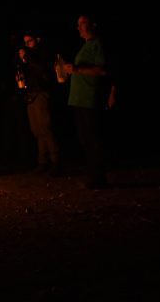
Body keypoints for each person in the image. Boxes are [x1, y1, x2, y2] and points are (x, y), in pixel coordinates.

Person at [62, 14, 116, 189]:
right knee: (85, 138)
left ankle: (99, 178)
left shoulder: (97, 44)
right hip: (79, 98)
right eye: (78, 24)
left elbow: (102, 70)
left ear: (93, 24)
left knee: (93, 138)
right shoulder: (86, 46)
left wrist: (77, 69)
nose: (79, 27)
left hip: (89, 98)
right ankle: (93, 175)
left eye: (82, 23)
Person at [18, 31, 62, 176]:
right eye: (25, 42)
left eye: (29, 41)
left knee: (45, 127)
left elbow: (42, 69)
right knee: (36, 129)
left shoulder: (42, 54)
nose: (27, 45)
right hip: (31, 94)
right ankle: (43, 162)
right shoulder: (29, 57)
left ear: (37, 39)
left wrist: (26, 56)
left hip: (41, 92)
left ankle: (56, 162)